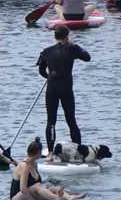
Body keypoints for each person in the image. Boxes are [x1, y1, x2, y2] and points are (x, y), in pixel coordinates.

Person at [37, 25, 90, 157]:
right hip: (66, 89)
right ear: (67, 36)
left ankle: (50, 153)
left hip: (52, 88)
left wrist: (49, 77)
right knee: (71, 120)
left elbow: (41, 71)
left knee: (51, 121)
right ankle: (78, 151)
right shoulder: (72, 48)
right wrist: (74, 45)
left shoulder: (46, 51)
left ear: (55, 36)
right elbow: (87, 57)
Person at [10, 137, 86, 200]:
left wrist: (48, 190)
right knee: (37, 186)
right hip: (16, 199)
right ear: (38, 153)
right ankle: (58, 199)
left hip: (30, 195)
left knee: (53, 188)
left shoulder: (34, 164)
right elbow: (23, 189)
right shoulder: (24, 166)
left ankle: (69, 197)